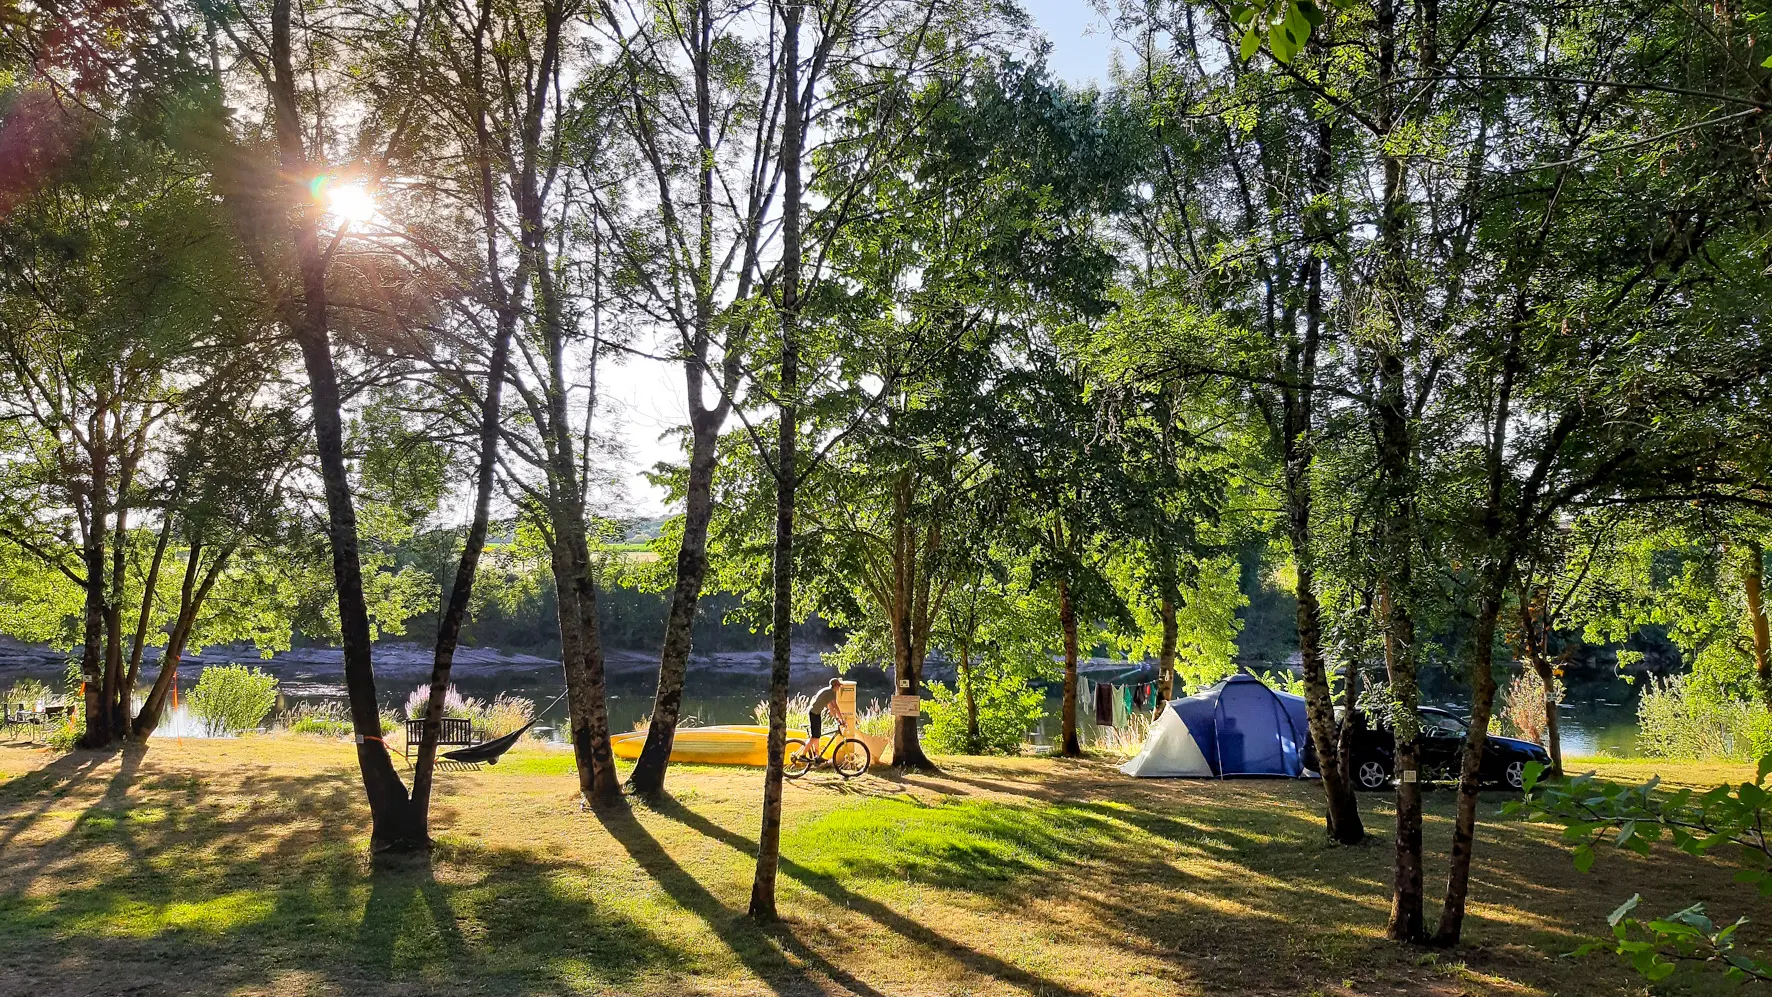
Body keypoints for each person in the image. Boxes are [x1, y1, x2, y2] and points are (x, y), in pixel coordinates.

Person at [804, 677, 844, 764]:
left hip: (816, 713)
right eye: (838, 686)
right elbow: (835, 707)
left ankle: (817, 756)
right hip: (814, 713)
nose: (839, 687)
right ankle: (802, 755)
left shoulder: (828, 692)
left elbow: (830, 707)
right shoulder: (830, 692)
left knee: (817, 736)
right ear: (834, 686)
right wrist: (842, 720)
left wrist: (836, 719)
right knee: (814, 736)